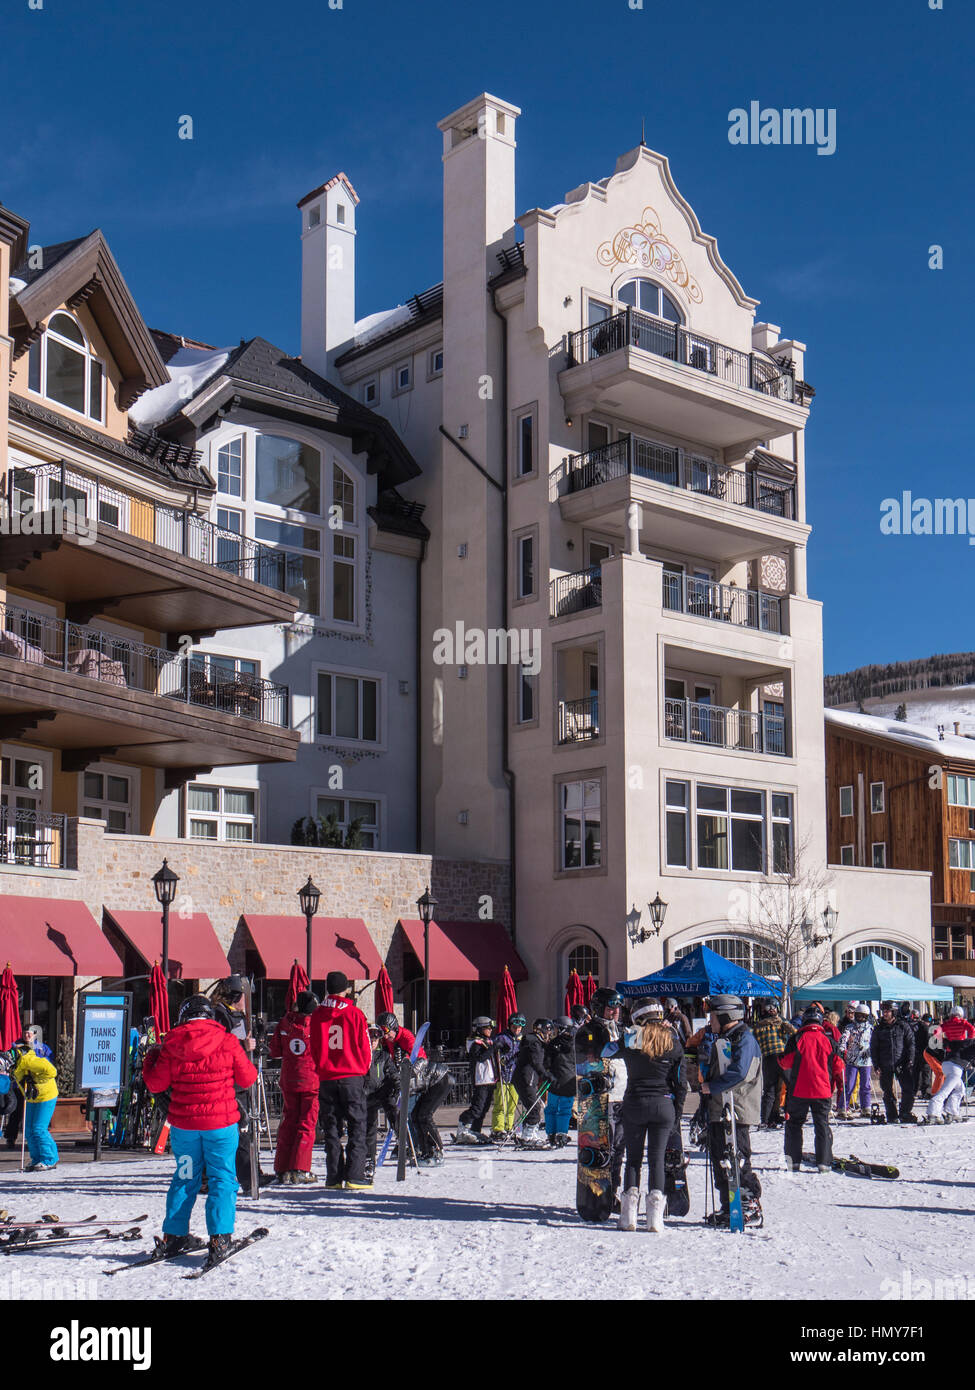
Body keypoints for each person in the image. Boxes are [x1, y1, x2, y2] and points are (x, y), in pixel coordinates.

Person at [143, 994, 257, 1263]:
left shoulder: (172, 1043)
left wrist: (151, 1058)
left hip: (184, 1128)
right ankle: (219, 1239)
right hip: (221, 1125)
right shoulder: (228, 1041)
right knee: (222, 1179)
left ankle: (174, 1235)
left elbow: (156, 1085)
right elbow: (248, 1077)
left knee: (185, 1177)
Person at [614, 1003, 686, 1233]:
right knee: (656, 1159)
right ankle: (655, 1218)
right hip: (663, 1104)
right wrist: (677, 1112)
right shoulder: (672, 1041)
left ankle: (628, 1217)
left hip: (635, 1102)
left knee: (633, 1159)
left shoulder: (632, 1039)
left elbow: (607, 1050)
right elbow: (682, 1083)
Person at [700, 995, 763, 1226]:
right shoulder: (724, 1038)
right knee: (721, 1160)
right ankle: (730, 1205)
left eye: (713, 1016)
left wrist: (711, 1087)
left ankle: (749, 1204)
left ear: (725, 1016)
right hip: (721, 1110)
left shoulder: (744, 1039)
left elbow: (740, 1072)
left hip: (737, 1109)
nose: (710, 1021)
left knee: (737, 1159)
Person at [309, 971, 373, 1189]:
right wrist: (363, 1070)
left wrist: (321, 1068)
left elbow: (314, 1047)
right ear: (346, 988)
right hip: (351, 1075)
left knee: (332, 1127)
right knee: (357, 1125)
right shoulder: (355, 1014)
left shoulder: (317, 1014)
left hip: (327, 1077)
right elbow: (365, 1047)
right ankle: (355, 1175)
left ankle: (334, 1176)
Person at [211, 975, 271, 1189]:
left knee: (246, 1129)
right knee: (237, 1130)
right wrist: (242, 1045)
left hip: (242, 1077)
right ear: (237, 996)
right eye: (245, 996)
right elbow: (218, 1044)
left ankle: (251, 1172)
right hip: (230, 1081)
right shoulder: (220, 1014)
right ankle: (246, 1176)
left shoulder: (237, 1015)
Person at [575, 988, 627, 1204]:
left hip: (624, 1095)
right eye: (610, 1007)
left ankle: (613, 1191)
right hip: (602, 1099)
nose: (615, 1011)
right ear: (599, 1008)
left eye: (617, 1007)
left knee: (619, 1150)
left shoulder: (623, 1029)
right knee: (603, 1148)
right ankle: (599, 1192)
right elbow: (583, 1064)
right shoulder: (591, 1031)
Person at [778, 1006, 844, 1172]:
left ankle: (793, 1162)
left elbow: (785, 1063)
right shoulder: (828, 1040)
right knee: (821, 1125)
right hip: (822, 1090)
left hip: (799, 1089)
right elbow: (839, 1065)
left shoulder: (796, 1038)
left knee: (794, 1124)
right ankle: (824, 1162)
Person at [268, 990, 320, 1185]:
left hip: (289, 1079)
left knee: (288, 1122)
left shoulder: (284, 1023)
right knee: (307, 1123)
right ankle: (300, 1168)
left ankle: (282, 1167)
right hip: (311, 1081)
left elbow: (274, 1050)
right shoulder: (315, 1026)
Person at [12, 1038, 58, 1171]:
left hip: (46, 1096)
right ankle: (37, 1158)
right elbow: (16, 1078)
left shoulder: (33, 1061)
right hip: (32, 1097)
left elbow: (52, 1072)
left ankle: (50, 1159)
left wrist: (36, 1080)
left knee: (39, 1128)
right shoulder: (17, 1065)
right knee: (29, 1130)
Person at [363, 1024, 399, 1179]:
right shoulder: (360, 1055)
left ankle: (404, 1139)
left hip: (381, 1092)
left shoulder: (383, 1056)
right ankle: (369, 1160)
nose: (373, 1041)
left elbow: (392, 1072)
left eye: (375, 1039)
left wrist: (397, 1083)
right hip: (366, 1095)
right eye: (370, 1038)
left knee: (392, 1109)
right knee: (369, 1128)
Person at [870, 1000, 916, 1124]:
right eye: (884, 1011)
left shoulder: (902, 1026)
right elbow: (874, 1047)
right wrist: (876, 1064)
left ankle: (905, 1112)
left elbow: (911, 1044)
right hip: (885, 1063)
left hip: (902, 1063)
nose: (885, 1014)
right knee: (887, 1090)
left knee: (908, 1089)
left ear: (894, 1012)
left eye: (888, 1011)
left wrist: (910, 1060)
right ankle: (891, 1114)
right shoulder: (878, 1029)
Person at [455, 1017, 497, 1144]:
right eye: (487, 1028)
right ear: (479, 1029)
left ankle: (475, 1130)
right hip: (481, 1080)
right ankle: (463, 1125)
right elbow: (480, 1057)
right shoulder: (474, 1043)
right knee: (477, 1108)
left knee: (484, 1109)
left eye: (491, 1028)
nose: (490, 1030)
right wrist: (493, 1049)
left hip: (490, 1079)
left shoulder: (486, 1041)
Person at [512, 1018, 553, 1144]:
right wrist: (545, 1075)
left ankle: (528, 1133)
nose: (548, 1035)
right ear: (540, 1030)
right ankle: (529, 1136)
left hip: (527, 1078)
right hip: (526, 1078)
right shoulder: (533, 1042)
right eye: (547, 1032)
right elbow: (536, 1062)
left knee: (533, 1106)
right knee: (534, 1107)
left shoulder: (537, 1043)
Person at [753, 1002, 795, 1128]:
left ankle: (768, 1118)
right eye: (769, 1008)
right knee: (791, 1085)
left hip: (767, 1058)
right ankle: (789, 1113)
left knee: (770, 1090)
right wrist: (784, 1023)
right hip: (781, 1056)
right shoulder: (780, 1022)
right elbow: (794, 1032)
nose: (772, 1010)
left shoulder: (757, 1026)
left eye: (773, 1008)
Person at [410, 1047, 452, 1164]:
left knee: (424, 1115)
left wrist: (413, 1071)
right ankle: (425, 1150)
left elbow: (423, 1060)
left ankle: (436, 1149)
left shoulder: (405, 1070)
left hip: (441, 1079)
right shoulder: (396, 1084)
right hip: (430, 1084)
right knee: (415, 1115)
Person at [544, 1017, 578, 1146]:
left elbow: (546, 1062)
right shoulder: (575, 1043)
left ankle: (551, 1133)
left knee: (551, 1108)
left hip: (555, 1080)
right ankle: (561, 1133)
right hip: (569, 1081)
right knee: (565, 1108)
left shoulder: (553, 1043)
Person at [491, 1013, 525, 1140]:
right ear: (510, 1025)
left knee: (512, 1104)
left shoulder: (522, 1039)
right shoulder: (502, 1037)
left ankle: (508, 1126)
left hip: (515, 1076)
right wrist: (500, 1052)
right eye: (515, 1027)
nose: (517, 1029)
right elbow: (494, 1051)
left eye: (519, 1027)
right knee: (501, 1103)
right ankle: (498, 1128)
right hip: (503, 1074)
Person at [839, 1006, 874, 1117]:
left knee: (865, 1085)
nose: (860, 1018)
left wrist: (872, 1051)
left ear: (866, 1016)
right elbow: (844, 1038)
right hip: (852, 1060)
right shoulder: (850, 1027)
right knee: (849, 1084)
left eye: (863, 1016)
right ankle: (843, 1107)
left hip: (865, 1060)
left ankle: (866, 1107)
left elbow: (874, 1041)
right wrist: (842, 1049)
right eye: (858, 1015)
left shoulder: (870, 1028)